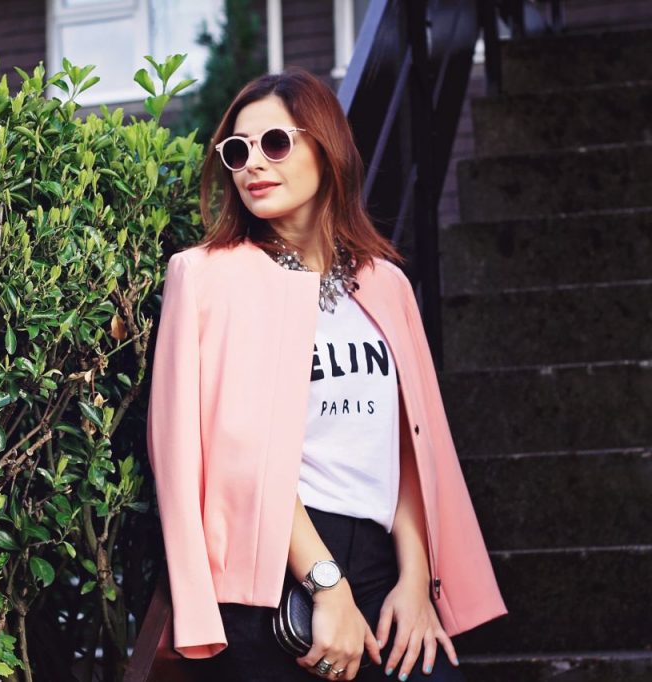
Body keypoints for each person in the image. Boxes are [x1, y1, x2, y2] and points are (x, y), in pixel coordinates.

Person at [145, 67, 506, 681]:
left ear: (326, 147)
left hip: (381, 566)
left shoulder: (386, 284)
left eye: (275, 143)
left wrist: (416, 581)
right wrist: (326, 585)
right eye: (237, 151)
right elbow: (233, 450)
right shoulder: (208, 277)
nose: (254, 165)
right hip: (271, 573)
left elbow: (405, 447)